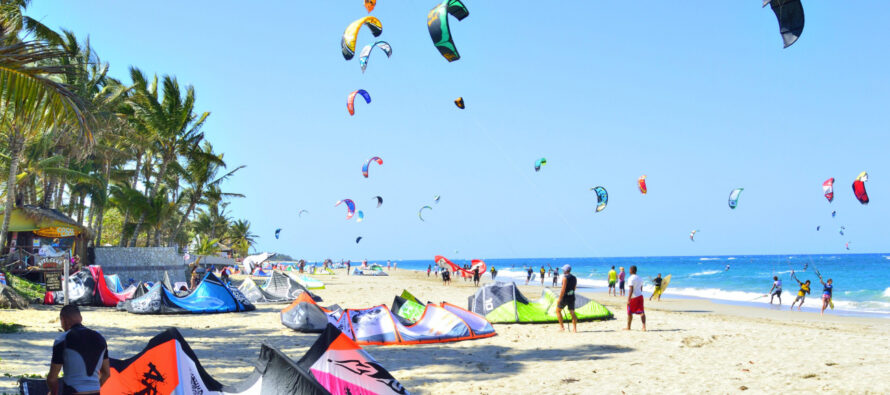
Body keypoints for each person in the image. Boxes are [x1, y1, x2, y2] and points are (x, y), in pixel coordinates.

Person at [47, 305, 110, 395]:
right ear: (81, 318)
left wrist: (53, 393)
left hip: (72, 391)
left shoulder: (62, 340)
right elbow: (107, 373)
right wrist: (93, 388)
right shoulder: (100, 338)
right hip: (95, 391)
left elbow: (52, 378)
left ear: (63, 319)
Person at [556, 264, 578, 332]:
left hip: (565, 297)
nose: (562, 270)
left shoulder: (565, 278)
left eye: (563, 269)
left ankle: (562, 327)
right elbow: (574, 288)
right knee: (572, 312)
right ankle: (574, 329)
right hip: (572, 296)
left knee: (558, 311)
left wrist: (559, 299)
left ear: (565, 270)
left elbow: (563, 289)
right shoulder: (574, 277)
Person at [626, 265, 646, 331]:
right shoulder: (640, 278)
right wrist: (639, 293)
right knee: (641, 312)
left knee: (629, 312)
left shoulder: (630, 278)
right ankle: (644, 327)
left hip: (633, 297)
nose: (629, 271)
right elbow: (641, 288)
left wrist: (628, 299)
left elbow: (631, 289)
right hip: (640, 296)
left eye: (629, 269)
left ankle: (628, 327)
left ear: (632, 270)